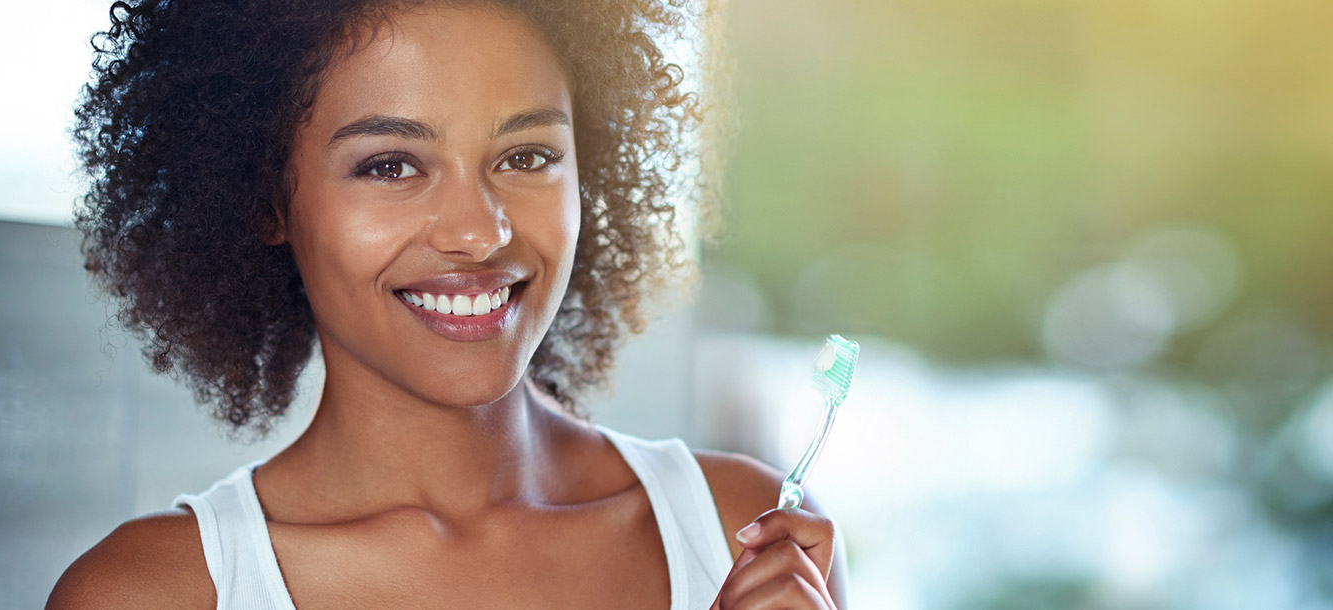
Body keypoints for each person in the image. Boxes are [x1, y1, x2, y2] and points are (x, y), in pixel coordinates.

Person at [48, 0, 846, 607]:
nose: (479, 231)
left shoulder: (751, 535)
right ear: (266, 200)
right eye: (391, 166)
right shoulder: (156, 592)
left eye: (526, 156)